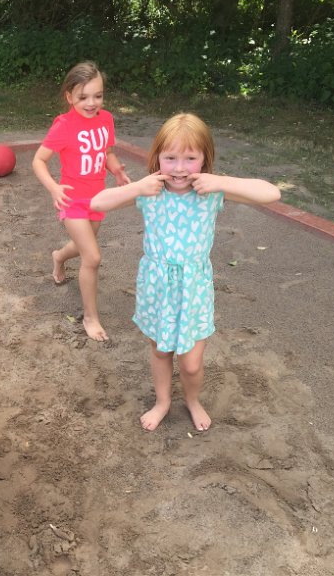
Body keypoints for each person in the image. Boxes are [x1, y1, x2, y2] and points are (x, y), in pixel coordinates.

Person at [90, 113, 281, 431]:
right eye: (170, 158)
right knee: (160, 351)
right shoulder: (150, 191)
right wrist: (137, 187)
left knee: (191, 364)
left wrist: (220, 181)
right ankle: (162, 402)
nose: (179, 168)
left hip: (193, 288)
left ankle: (192, 400)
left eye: (190, 158)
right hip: (157, 286)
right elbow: (97, 203)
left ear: (205, 159)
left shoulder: (211, 192)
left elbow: (272, 193)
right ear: (157, 157)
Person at [32, 60, 131, 342]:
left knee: (81, 247)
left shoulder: (106, 119)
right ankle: (90, 317)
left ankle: (58, 257)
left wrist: (116, 170)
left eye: (97, 96)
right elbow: (38, 160)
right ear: (69, 97)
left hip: (97, 199)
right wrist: (54, 188)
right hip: (72, 201)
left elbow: (106, 152)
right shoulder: (64, 126)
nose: (91, 103)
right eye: (83, 97)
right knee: (92, 256)